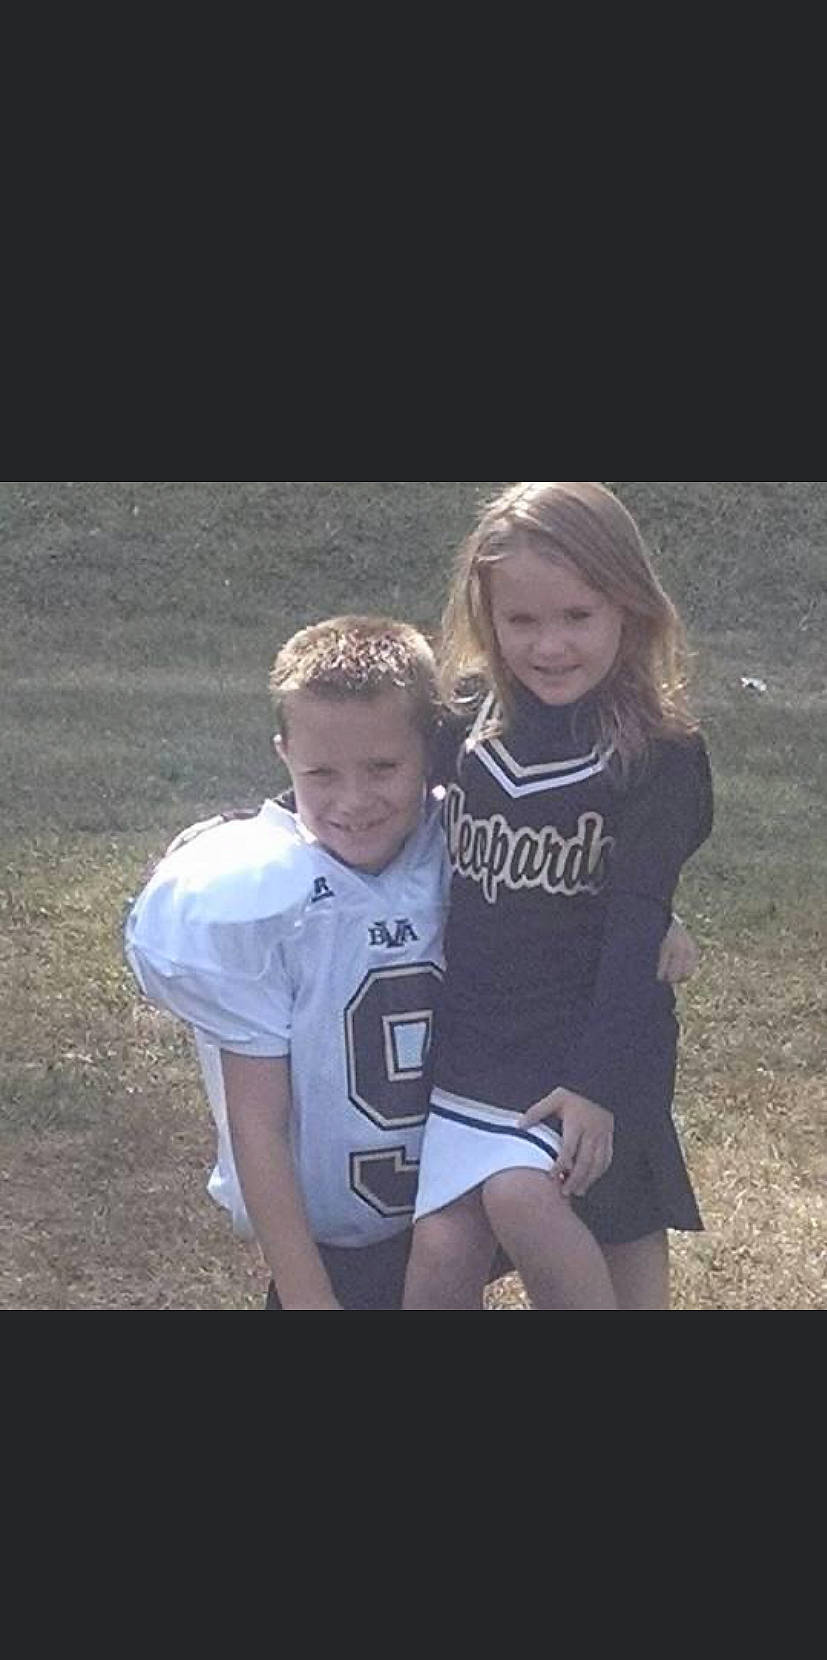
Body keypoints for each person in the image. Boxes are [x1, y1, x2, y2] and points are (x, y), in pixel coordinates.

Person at [125, 611, 699, 1311]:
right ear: (284, 755)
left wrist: (655, 918)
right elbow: (257, 1122)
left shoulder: (456, 840)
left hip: (458, 1177)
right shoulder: (251, 895)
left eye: (383, 768)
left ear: (432, 751)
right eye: (321, 774)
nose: (354, 801)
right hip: (338, 1241)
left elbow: (553, 892)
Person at [403, 482, 714, 1311]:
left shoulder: (660, 752)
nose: (549, 646)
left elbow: (632, 924)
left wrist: (599, 1085)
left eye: (577, 616)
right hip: (474, 1047)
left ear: (630, 606)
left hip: (593, 1043)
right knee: (439, 1248)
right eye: (522, 621)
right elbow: (372, 797)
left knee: (560, 1221)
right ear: (486, 614)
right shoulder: (462, 717)